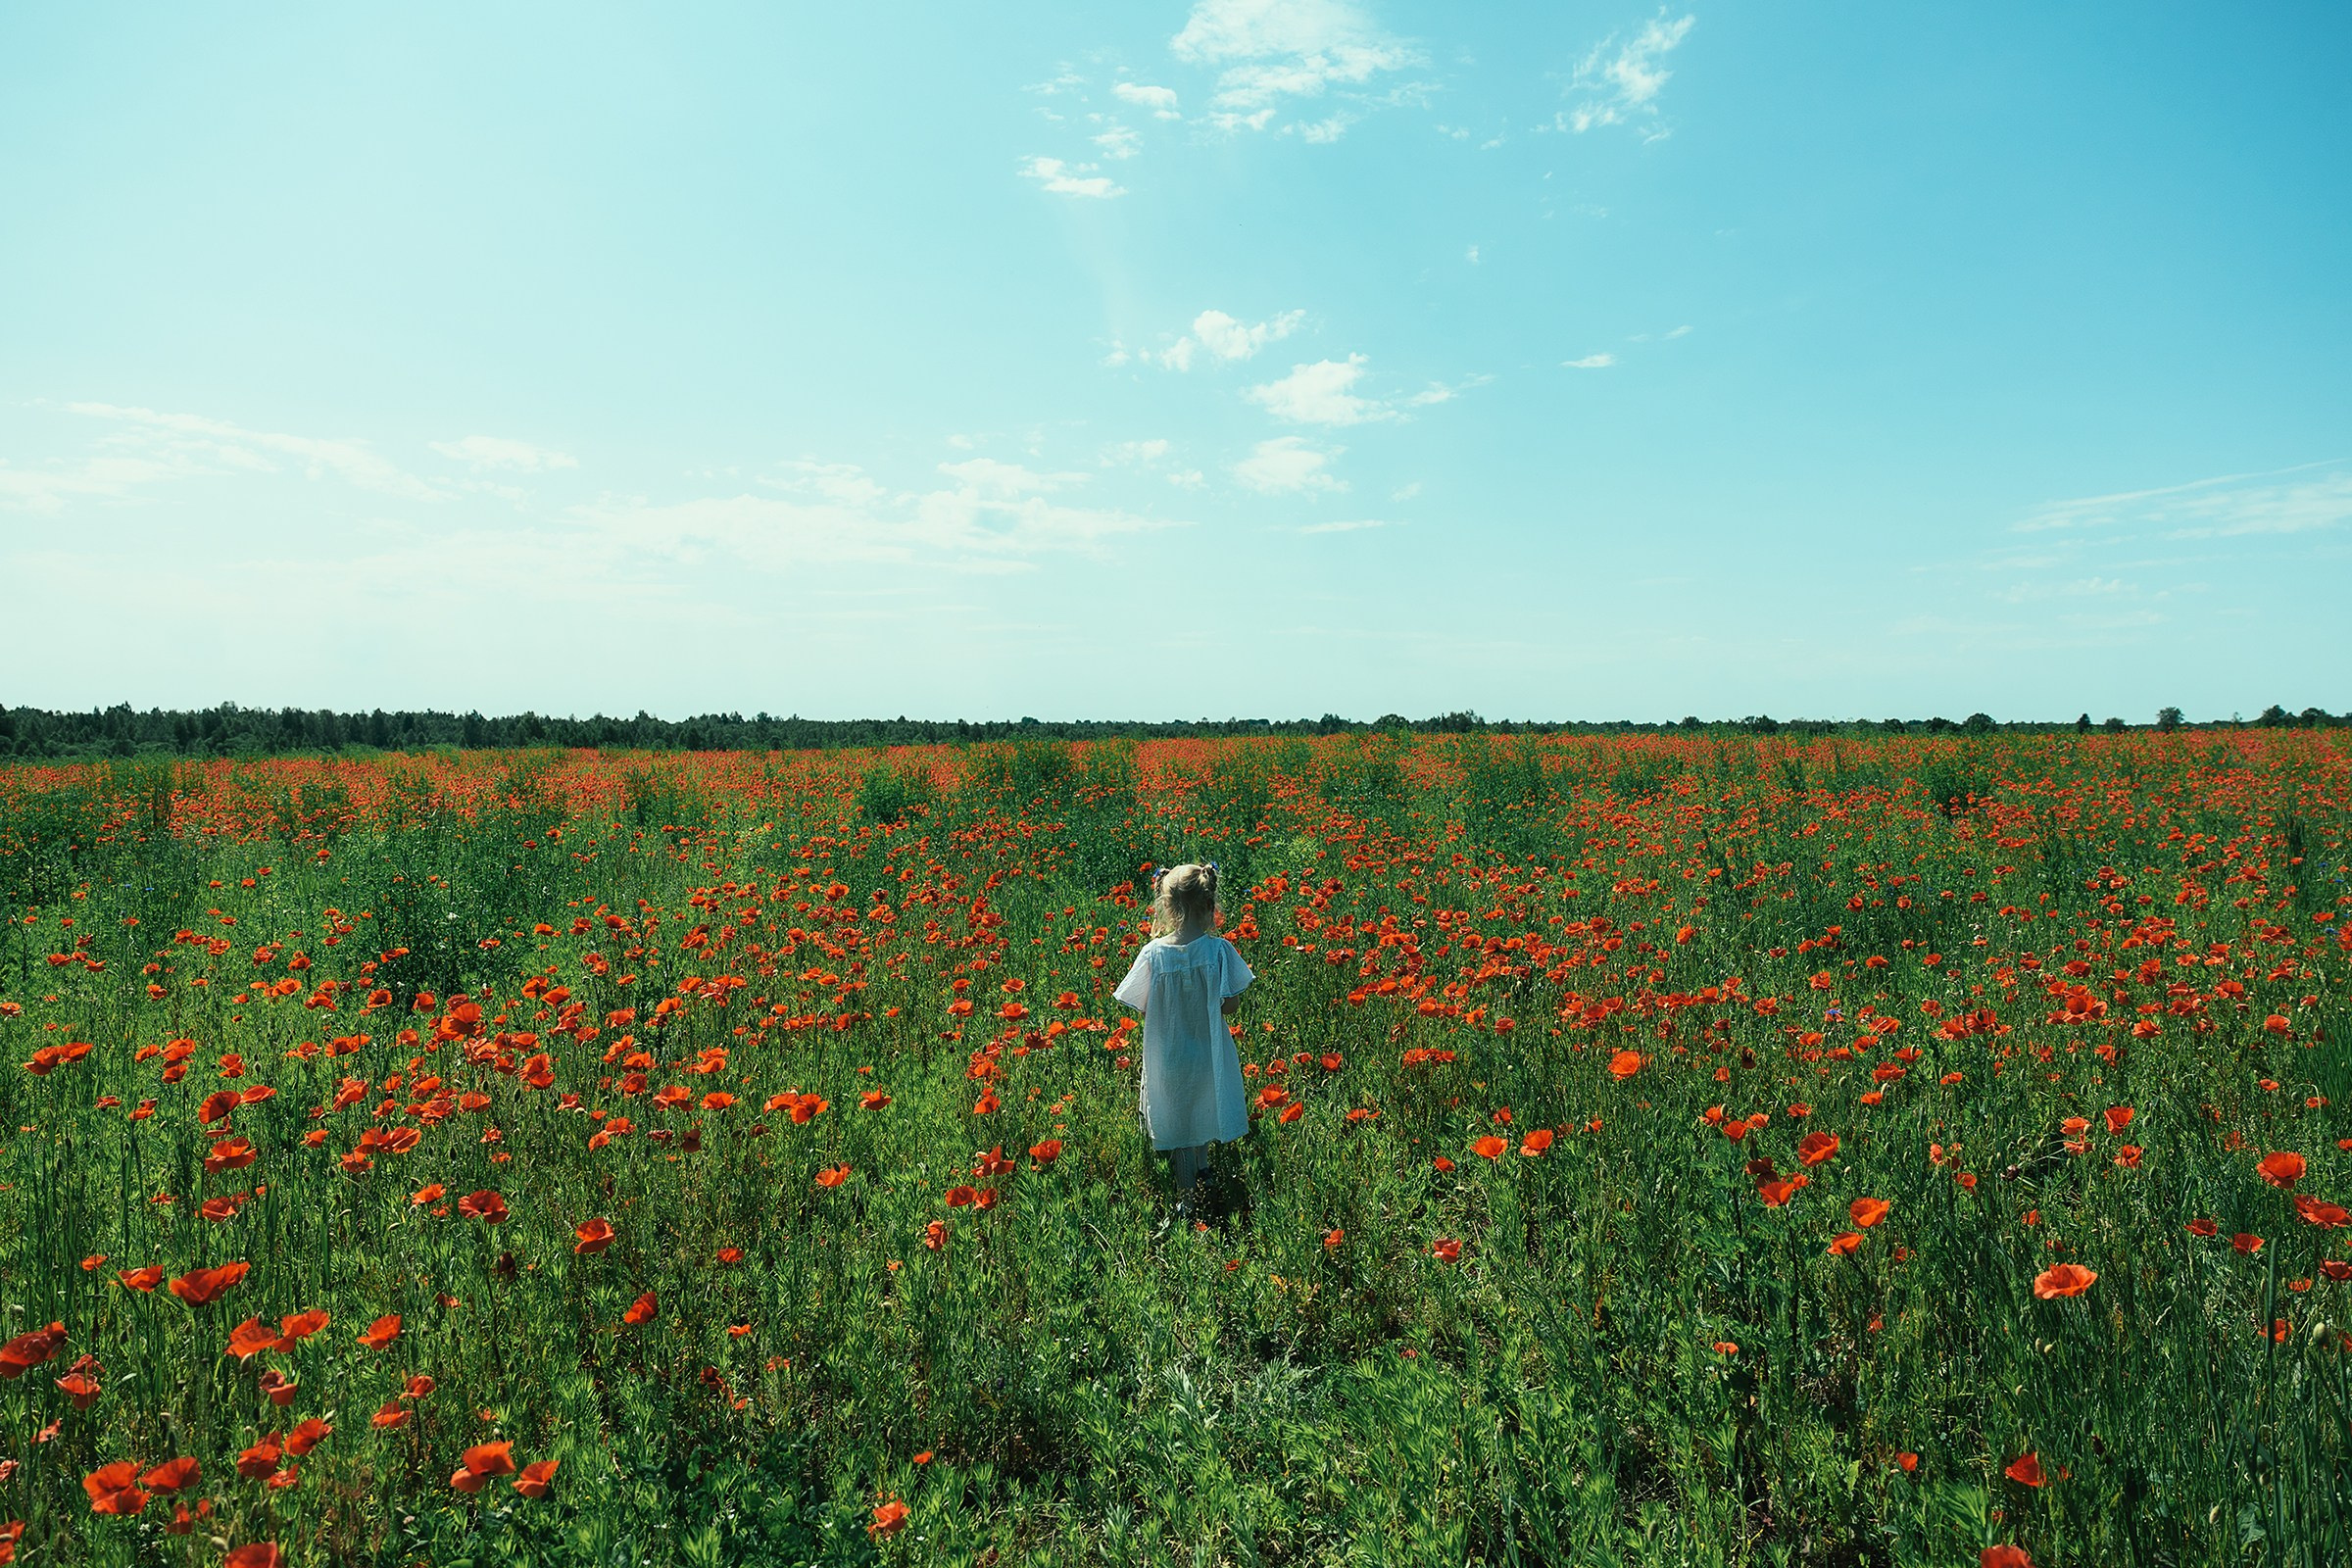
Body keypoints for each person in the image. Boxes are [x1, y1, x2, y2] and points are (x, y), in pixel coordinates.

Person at [1111, 861, 1251, 1222]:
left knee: (1179, 1122)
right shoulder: (1218, 952)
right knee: (1202, 1111)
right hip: (1208, 1053)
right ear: (1210, 907)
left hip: (1170, 1055)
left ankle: (1187, 1200)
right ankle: (1204, 1173)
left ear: (1168, 907)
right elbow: (1232, 1005)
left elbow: (1140, 1006)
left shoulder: (1153, 954)